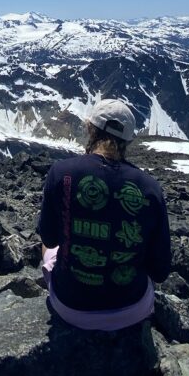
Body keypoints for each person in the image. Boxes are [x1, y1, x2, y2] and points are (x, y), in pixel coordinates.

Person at [37, 98, 171, 332]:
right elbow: (160, 271)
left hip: (70, 306)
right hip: (132, 309)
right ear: (128, 140)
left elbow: (49, 239)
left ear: (90, 129)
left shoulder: (61, 172)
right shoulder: (150, 188)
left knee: (49, 250)